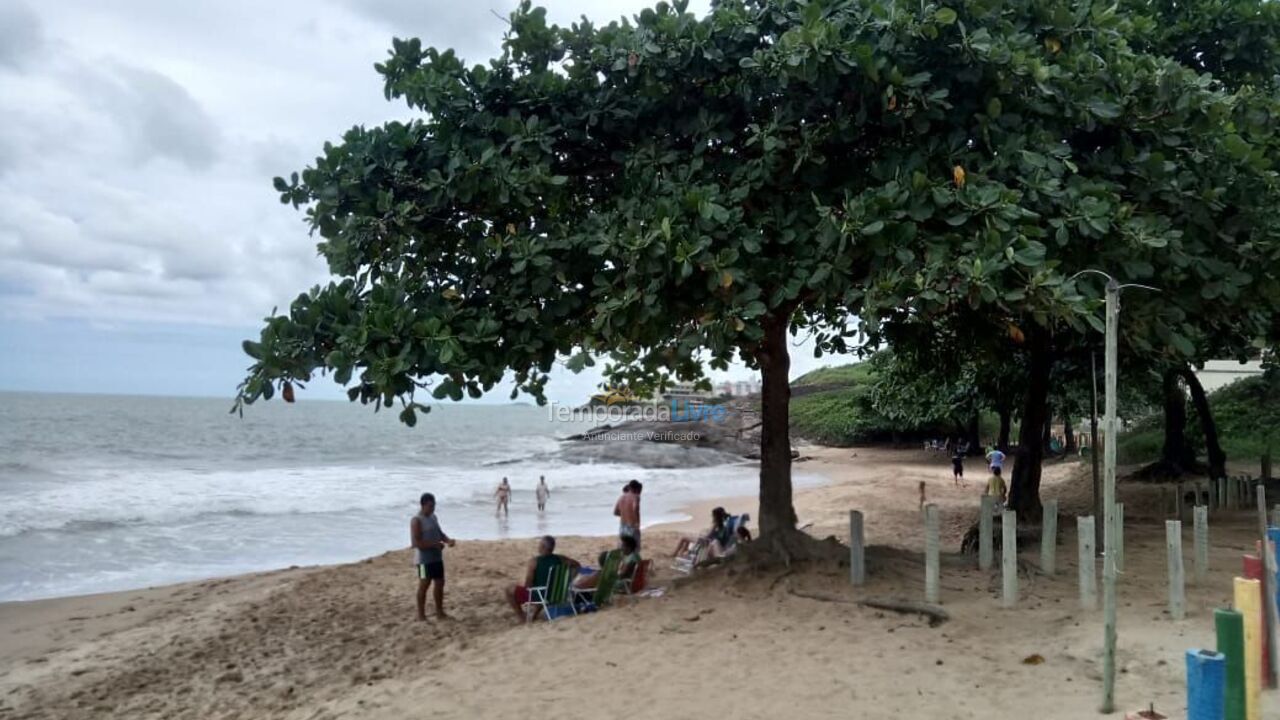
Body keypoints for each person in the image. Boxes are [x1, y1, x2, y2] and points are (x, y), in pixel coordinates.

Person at [505, 535, 581, 622]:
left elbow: (528, 585)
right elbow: (577, 565)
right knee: (543, 589)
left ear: (543, 547)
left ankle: (522, 616)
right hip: (557, 594)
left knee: (509, 590)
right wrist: (568, 580)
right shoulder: (561, 559)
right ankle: (534, 613)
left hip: (541, 595)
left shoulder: (534, 561)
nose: (538, 546)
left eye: (540, 544)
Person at [410, 492, 455, 621]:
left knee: (440, 583)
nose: (432, 508)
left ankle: (440, 612)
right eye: (430, 506)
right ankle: (421, 614)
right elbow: (417, 543)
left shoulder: (433, 517)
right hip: (423, 560)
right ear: (423, 505)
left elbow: (440, 533)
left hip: (436, 558)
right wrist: (435, 545)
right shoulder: (416, 520)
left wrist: (448, 540)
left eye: (433, 506)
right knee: (424, 584)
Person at [573, 534, 641, 591]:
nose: (621, 548)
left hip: (625, 584)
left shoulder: (631, 559)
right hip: (631, 582)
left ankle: (578, 586)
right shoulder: (635, 556)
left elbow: (622, 575)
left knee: (599, 575)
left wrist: (611, 573)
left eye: (622, 545)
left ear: (628, 547)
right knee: (597, 574)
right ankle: (580, 584)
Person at [614, 480, 642, 550]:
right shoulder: (635, 497)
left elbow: (615, 512)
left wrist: (625, 513)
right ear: (636, 489)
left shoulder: (621, 497)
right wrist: (637, 523)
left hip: (622, 526)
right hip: (632, 526)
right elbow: (635, 509)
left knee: (623, 548)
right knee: (634, 548)